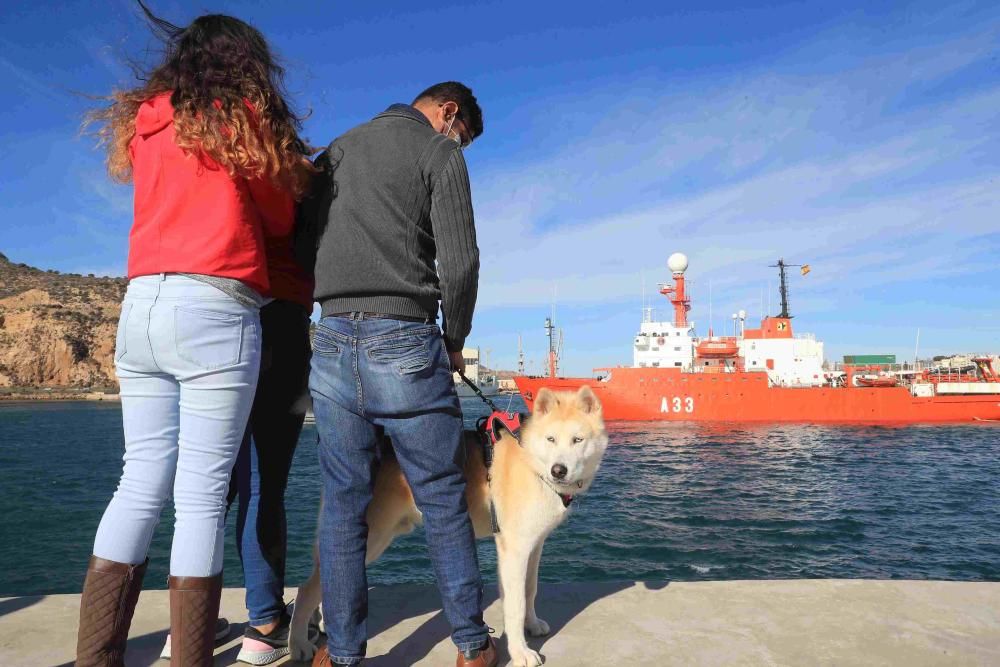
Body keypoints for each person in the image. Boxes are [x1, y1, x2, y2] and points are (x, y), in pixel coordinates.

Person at [75, 6, 312, 666]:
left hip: (141, 302)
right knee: (203, 494)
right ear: (244, 62)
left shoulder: (149, 118)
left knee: (138, 480)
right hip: (214, 303)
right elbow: (277, 208)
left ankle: (97, 656)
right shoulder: (237, 116)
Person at [305, 82, 496, 667]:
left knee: (343, 502)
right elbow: (460, 261)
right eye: (462, 136)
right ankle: (470, 647)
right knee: (441, 496)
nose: (459, 144)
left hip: (332, 336)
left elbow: (302, 241)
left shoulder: (334, 150)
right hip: (406, 336)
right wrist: (455, 339)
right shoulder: (438, 153)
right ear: (449, 113)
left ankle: (341, 655)